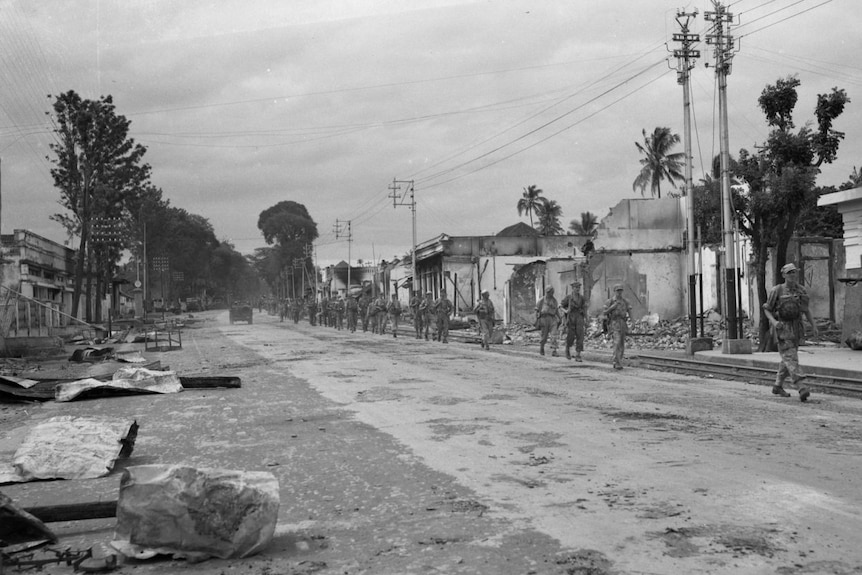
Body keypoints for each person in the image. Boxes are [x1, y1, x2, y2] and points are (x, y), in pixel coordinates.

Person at [763, 262, 819, 401]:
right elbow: (767, 309)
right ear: (783, 275)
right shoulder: (777, 290)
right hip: (783, 328)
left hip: (797, 328)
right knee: (791, 357)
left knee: (788, 358)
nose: (792, 275)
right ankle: (801, 386)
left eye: (794, 272)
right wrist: (774, 322)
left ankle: (777, 386)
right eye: (789, 273)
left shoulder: (801, 290)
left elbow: (806, 309)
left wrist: (813, 325)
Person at [603, 284, 631, 369]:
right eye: (617, 290)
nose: (619, 292)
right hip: (614, 323)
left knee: (621, 343)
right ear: (614, 291)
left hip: (622, 323)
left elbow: (629, 311)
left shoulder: (625, 301)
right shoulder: (610, 301)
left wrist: (633, 322)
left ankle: (619, 360)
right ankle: (616, 361)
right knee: (617, 342)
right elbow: (604, 313)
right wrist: (612, 308)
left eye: (620, 290)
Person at [561, 280, 587, 362]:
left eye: (578, 287)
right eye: (576, 287)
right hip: (571, 318)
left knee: (580, 336)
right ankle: (567, 349)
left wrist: (587, 318)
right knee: (570, 336)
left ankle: (578, 355)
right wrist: (565, 311)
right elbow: (560, 305)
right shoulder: (568, 298)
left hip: (579, 318)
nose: (577, 289)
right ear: (572, 288)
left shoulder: (582, 298)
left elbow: (584, 308)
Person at [535, 286, 561, 356]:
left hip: (552, 318)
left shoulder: (554, 301)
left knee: (554, 335)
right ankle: (542, 347)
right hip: (544, 319)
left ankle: (554, 350)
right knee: (544, 336)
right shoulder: (542, 300)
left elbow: (556, 310)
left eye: (551, 292)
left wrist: (560, 318)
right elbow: (537, 310)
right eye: (549, 292)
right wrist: (538, 318)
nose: (550, 294)